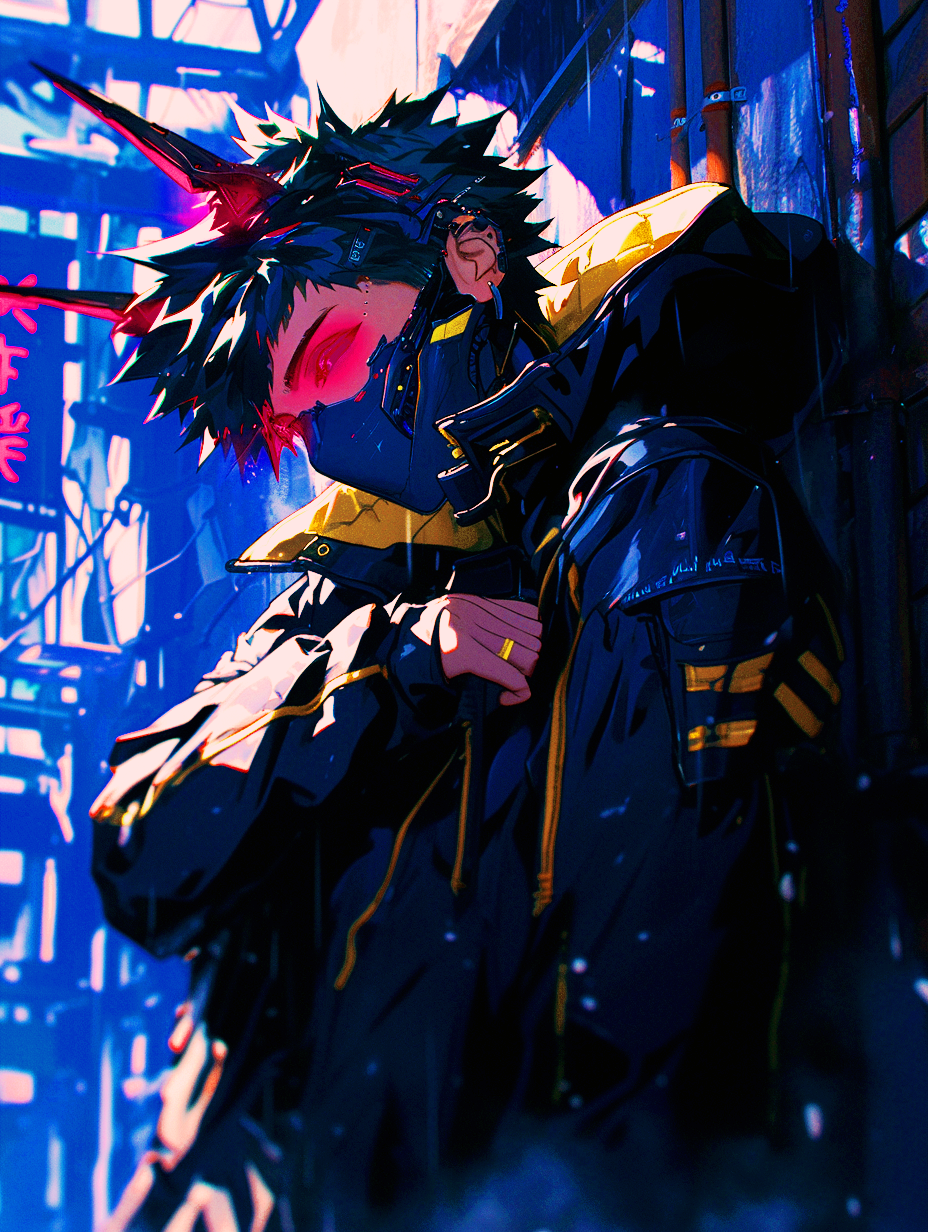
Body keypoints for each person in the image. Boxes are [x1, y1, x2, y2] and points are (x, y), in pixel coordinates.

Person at [16, 70, 847, 1232]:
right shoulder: (336, 599)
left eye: (327, 351)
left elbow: (661, 970)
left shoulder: (655, 499)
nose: (334, 430)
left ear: (462, 250)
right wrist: (398, 659)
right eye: (298, 414)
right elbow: (144, 838)